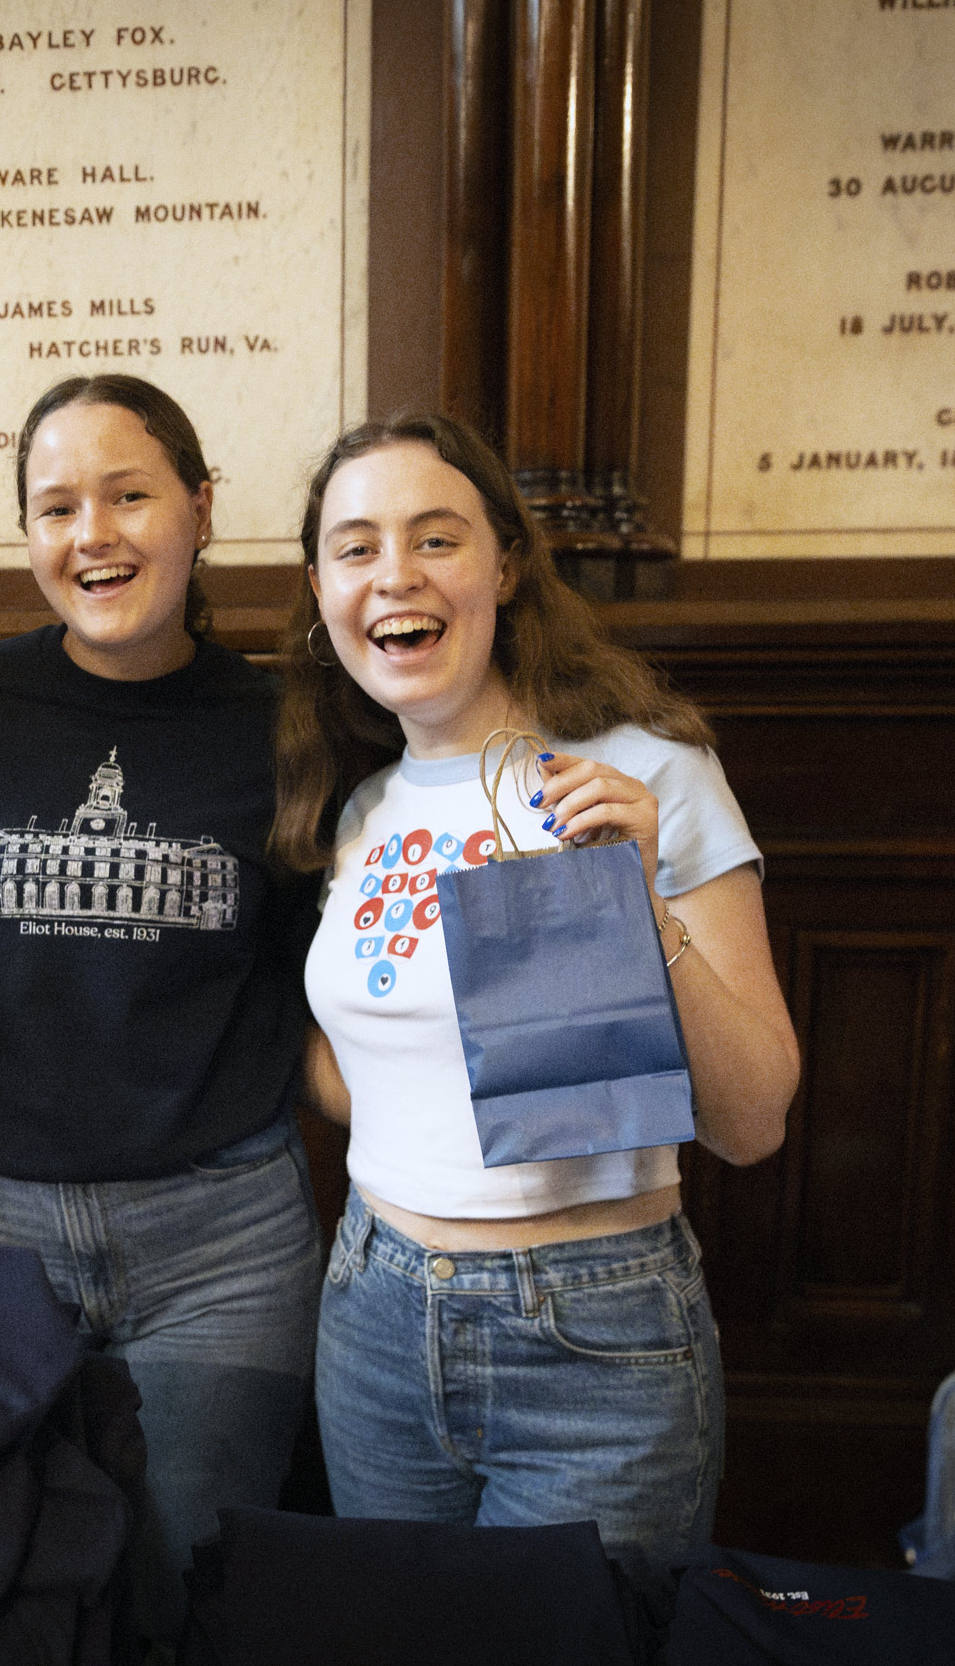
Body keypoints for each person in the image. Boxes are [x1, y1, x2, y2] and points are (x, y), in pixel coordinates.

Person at [272, 414, 800, 1583]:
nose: (394, 574)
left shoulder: (646, 770)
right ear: (321, 589)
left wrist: (637, 908)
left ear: (504, 566)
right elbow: (350, 1070)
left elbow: (753, 1116)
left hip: (596, 1328)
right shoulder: (358, 807)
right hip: (373, 1310)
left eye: (435, 537)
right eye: (355, 547)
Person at [0, 376, 320, 1633]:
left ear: (199, 509)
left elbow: (335, 988)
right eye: (57, 506)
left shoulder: (288, 723)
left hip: (223, 1239)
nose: (95, 534)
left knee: (189, 1589)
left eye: (130, 494)